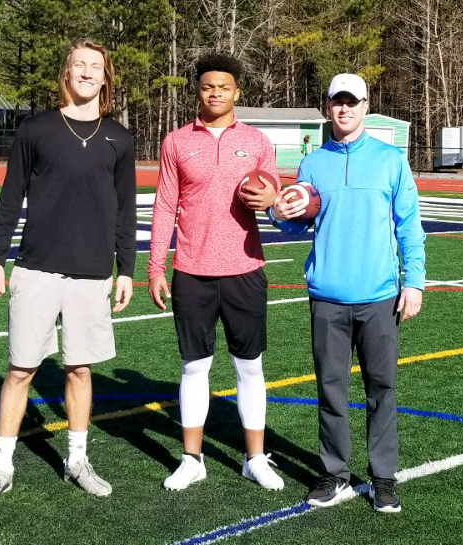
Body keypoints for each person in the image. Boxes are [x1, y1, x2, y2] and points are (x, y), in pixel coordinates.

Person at [0, 38, 137, 507]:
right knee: (21, 369)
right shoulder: (36, 129)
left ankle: (77, 459)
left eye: (95, 67)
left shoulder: (119, 138)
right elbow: (10, 196)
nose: (86, 72)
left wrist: (127, 270)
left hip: (91, 274)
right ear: (66, 72)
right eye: (79, 64)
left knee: (80, 369)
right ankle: (1, 466)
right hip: (36, 269)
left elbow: (126, 211)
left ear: (105, 78)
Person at [270, 73, 426, 513]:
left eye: (352, 102)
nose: (345, 109)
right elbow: (295, 219)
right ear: (327, 107)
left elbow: (408, 225)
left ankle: (383, 479)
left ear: (365, 105)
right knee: (330, 390)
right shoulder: (312, 163)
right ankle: (334, 473)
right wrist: (278, 212)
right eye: (337, 102)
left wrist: (413, 281)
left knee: (382, 388)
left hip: (378, 296)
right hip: (327, 297)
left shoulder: (390, 159)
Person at [148, 52, 285, 491]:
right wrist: (155, 266)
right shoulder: (176, 141)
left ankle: (255, 458)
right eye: (208, 87)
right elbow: (165, 205)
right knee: (194, 367)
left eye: (223, 87)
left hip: (245, 267)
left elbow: (274, 194)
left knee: (250, 367)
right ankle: (192, 458)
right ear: (199, 91)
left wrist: (270, 197)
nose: (215, 93)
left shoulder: (259, 141)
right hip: (191, 269)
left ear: (236, 92)